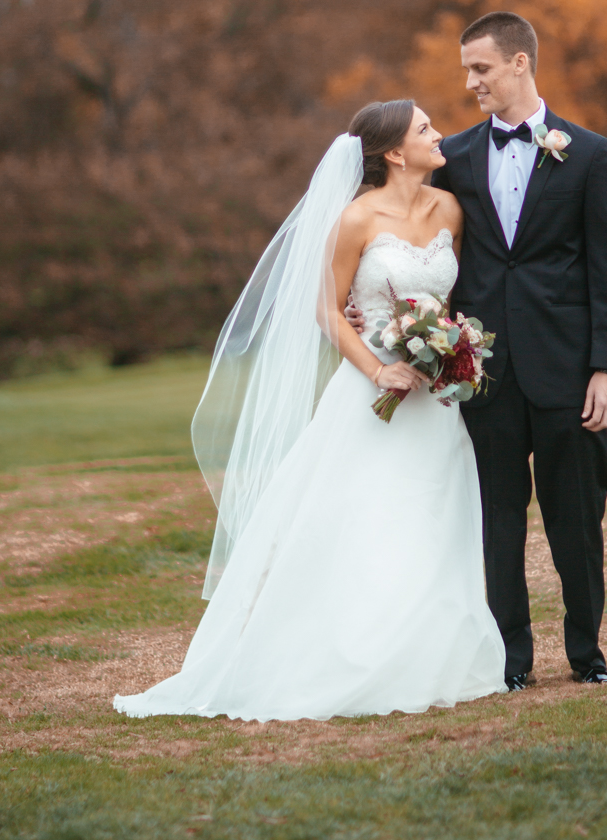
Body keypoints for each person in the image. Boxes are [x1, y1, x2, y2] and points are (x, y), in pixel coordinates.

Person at [113, 100, 506, 722]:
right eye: (426, 129)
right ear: (396, 153)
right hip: (371, 394)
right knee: (366, 519)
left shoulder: (449, 210)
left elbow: (448, 299)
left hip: (433, 399)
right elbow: (327, 311)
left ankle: (430, 653)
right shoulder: (354, 220)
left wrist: (449, 351)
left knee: (433, 511)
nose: (440, 137)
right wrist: (380, 367)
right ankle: (349, 654)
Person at [350, 13, 607, 687]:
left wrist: (606, 368)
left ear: (518, 65)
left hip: (567, 372)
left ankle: (587, 657)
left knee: (576, 521)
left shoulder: (589, 154)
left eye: (479, 68)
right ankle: (510, 661)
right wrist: (370, 298)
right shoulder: (458, 158)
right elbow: (411, 228)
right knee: (496, 523)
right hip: (479, 377)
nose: (469, 82)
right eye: (465, 70)